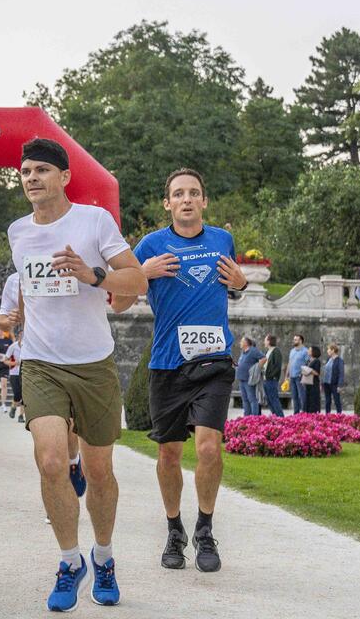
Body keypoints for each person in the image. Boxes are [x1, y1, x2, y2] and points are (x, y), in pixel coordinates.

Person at [10, 138, 147, 611]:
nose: (31, 178)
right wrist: (17, 324)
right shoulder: (17, 232)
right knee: (50, 461)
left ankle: (103, 556)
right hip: (42, 363)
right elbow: (29, 289)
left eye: (42, 170)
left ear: (65, 177)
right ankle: (70, 562)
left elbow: (136, 280)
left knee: (99, 470)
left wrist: (94, 275)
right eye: (25, 171)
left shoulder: (94, 221)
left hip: (93, 364)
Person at [112, 167, 247, 575]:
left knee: (209, 447)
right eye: (178, 194)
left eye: (194, 193)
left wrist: (240, 283)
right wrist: (143, 274)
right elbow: (117, 302)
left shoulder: (223, 240)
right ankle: (175, 530)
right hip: (168, 364)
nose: (186, 199)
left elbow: (232, 286)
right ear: (167, 203)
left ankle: (205, 529)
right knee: (169, 454)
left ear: (204, 201)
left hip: (214, 363)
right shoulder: (151, 245)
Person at [0, 272, 88, 499]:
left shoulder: (67, 268)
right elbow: (1, 319)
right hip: (37, 361)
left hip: (73, 357)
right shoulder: (15, 279)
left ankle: (73, 460)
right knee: (46, 433)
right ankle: (56, 490)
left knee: (70, 425)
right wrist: (10, 318)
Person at [257, 335, 285, 417]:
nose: (264, 342)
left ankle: (280, 417)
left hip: (271, 380)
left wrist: (270, 375)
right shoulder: (268, 352)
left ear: (269, 341)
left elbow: (277, 366)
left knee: (274, 399)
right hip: (266, 379)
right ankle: (274, 416)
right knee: (269, 400)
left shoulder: (276, 351)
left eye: (265, 340)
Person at [236, 337, 264, 416]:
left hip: (249, 379)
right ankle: (247, 417)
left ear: (246, 343)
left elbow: (264, 358)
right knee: (245, 399)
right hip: (241, 379)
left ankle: (254, 417)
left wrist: (256, 368)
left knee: (252, 399)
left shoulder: (253, 350)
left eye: (241, 341)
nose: (240, 343)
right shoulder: (243, 352)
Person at [5, 330, 24, 422]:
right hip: (14, 373)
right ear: (18, 336)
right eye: (21, 335)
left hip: (25, 373)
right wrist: (14, 363)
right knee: (17, 394)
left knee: (24, 395)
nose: (23, 336)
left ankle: (21, 416)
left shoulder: (29, 347)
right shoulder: (13, 346)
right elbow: (5, 360)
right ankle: (13, 407)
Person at [288, 334, 309, 414]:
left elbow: (308, 363)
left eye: (296, 339)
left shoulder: (305, 351)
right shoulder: (292, 351)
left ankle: (304, 412)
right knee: (294, 396)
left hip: (300, 376)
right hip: (292, 376)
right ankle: (296, 413)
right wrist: (287, 374)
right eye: (294, 339)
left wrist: (303, 374)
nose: (294, 341)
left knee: (302, 396)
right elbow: (290, 362)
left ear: (300, 341)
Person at [322, 344, 345, 413]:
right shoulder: (328, 359)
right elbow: (325, 371)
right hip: (326, 383)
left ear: (333, 350)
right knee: (327, 401)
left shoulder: (339, 361)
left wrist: (339, 385)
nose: (327, 351)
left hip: (334, 384)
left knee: (336, 400)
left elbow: (341, 373)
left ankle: (339, 415)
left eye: (328, 349)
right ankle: (327, 416)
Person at [301, 346, 322, 413]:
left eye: (310, 350)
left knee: (313, 398)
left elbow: (317, 373)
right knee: (307, 398)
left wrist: (309, 370)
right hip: (307, 383)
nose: (308, 351)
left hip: (314, 382)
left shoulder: (317, 361)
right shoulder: (308, 360)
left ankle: (313, 412)